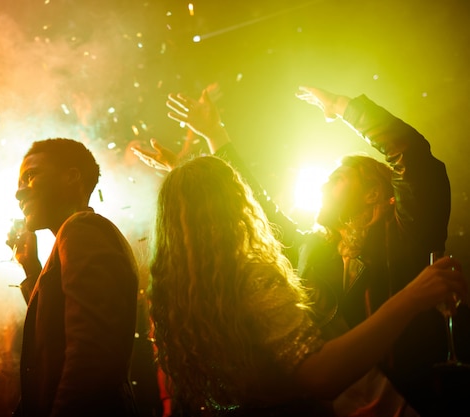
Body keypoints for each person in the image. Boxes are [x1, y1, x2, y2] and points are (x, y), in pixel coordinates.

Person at [133, 86, 468, 416]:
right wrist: (213, 139)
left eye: (338, 177)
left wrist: (343, 106)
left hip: (413, 402)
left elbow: (415, 159)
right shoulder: (312, 249)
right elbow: (255, 204)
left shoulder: (404, 233)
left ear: (372, 193)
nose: (324, 183)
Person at [13, 138, 140, 417]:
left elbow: (91, 355)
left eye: (30, 176)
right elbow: (61, 326)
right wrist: (31, 268)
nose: (18, 193)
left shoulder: (81, 229)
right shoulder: (78, 235)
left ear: (71, 177)